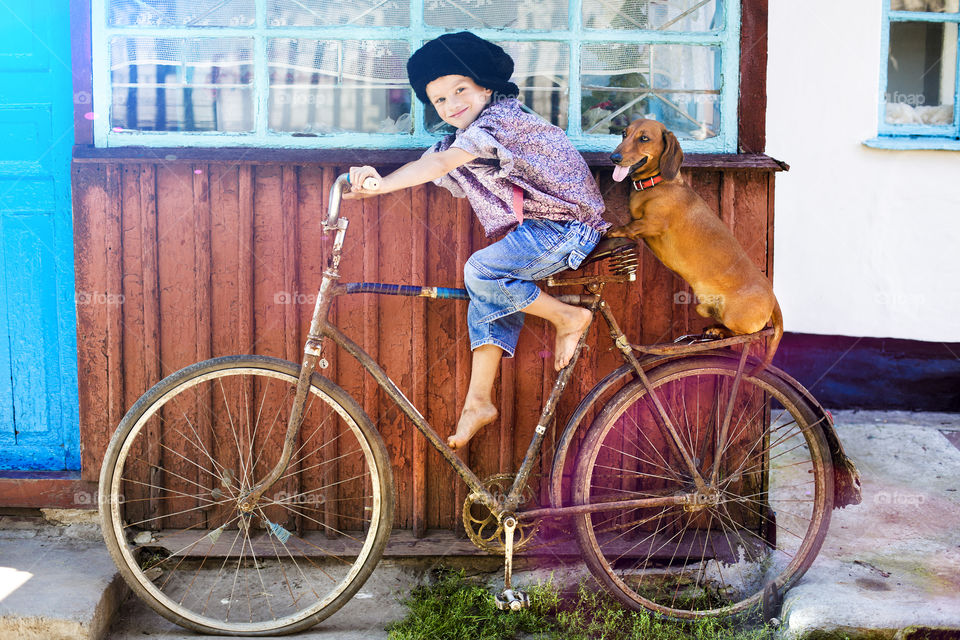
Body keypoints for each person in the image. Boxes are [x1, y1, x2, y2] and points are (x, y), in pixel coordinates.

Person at [345, 31, 609, 451]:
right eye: (440, 100)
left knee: (482, 272)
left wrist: (383, 186)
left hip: (569, 227)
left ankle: (567, 317)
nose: (451, 104)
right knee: (488, 292)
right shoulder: (465, 137)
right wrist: (371, 177)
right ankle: (478, 402)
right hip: (540, 231)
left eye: (460, 90)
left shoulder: (501, 121)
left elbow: (443, 163)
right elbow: (430, 163)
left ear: (486, 87)